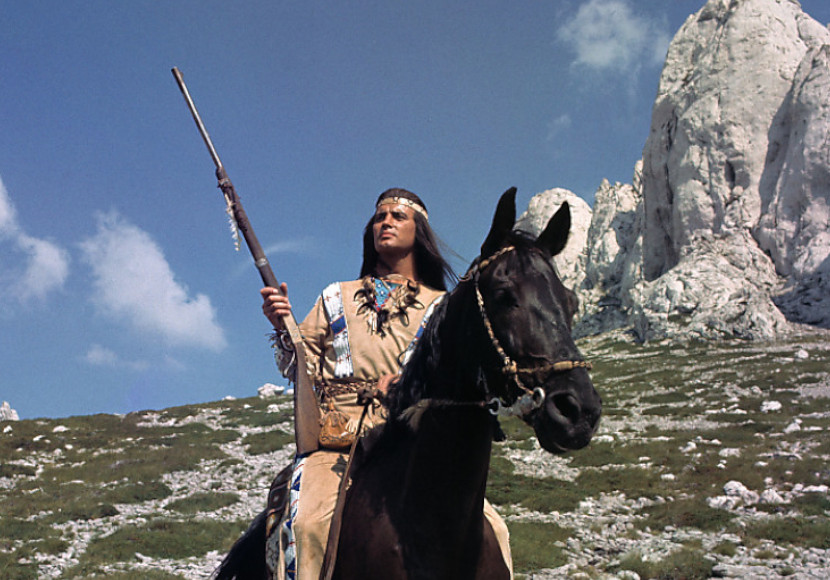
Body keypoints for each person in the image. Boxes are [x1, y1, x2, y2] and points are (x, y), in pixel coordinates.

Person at [261, 188, 512, 580]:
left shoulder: (442, 306)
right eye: (380, 217)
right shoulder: (335, 296)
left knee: (497, 531)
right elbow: (300, 368)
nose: (386, 223)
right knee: (308, 525)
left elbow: (452, 379)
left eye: (398, 216)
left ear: (419, 231)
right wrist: (284, 327)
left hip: (411, 443)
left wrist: (407, 387)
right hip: (338, 443)